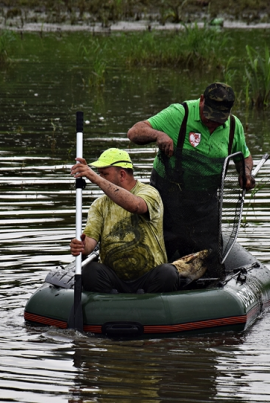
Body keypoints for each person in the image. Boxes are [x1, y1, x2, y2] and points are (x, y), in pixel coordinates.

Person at [126, 82, 255, 270]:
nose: (213, 122)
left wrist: (246, 173)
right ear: (201, 100)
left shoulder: (234, 126)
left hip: (205, 206)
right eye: (210, 116)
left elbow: (244, 155)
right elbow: (134, 132)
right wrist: (157, 135)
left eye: (219, 119)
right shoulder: (180, 114)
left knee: (209, 263)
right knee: (156, 261)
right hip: (167, 202)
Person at [69, 148, 178, 294]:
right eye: (99, 173)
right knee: (90, 271)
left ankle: (148, 301)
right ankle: (113, 299)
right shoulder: (99, 205)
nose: (99, 178)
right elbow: (90, 241)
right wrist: (82, 246)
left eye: (104, 174)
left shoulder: (149, 193)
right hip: (114, 278)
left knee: (168, 273)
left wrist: (95, 177)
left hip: (149, 277)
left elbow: (136, 205)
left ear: (122, 174)